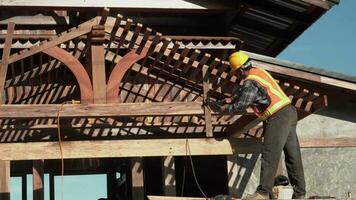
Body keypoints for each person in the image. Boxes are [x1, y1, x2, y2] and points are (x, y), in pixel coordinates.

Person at [208, 51, 306, 199]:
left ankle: (263, 193)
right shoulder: (258, 72)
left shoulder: (250, 81)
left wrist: (222, 109)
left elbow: (241, 105)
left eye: (237, 73)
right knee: (293, 156)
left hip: (277, 116)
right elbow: (244, 92)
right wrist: (230, 99)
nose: (238, 75)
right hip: (289, 112)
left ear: (240, 70)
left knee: (269, 153)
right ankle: (300, 194)